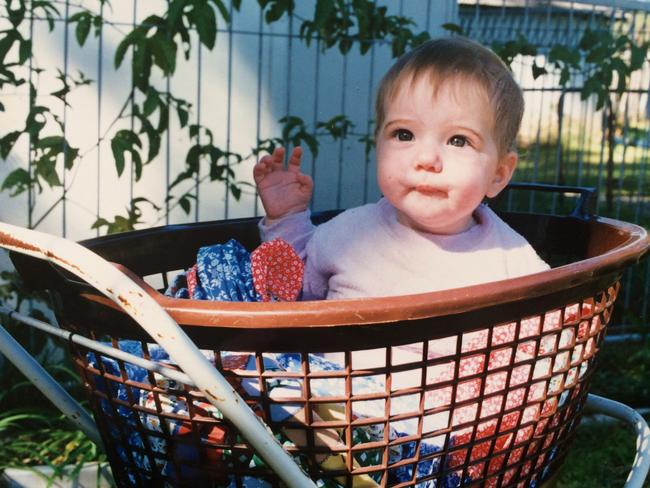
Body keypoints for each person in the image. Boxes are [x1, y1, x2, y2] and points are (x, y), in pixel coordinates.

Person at [253, 37, 549, 300]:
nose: (426, 159)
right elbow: (291, 290)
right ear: (378, 145)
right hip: (340, 364)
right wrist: (287, 217)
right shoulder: (350, 235)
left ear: (498, 173)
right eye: (404, 135)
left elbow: (548, 326)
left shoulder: (510, 257)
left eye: (458, 140)